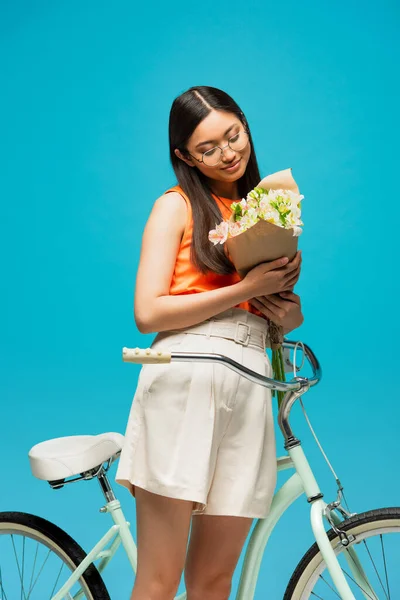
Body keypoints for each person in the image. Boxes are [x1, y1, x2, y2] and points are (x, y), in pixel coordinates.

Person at [115, 85, 303, 600]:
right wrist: (246, 289)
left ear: (244, 123)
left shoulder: (263, 211)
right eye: (208, 148)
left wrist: (285, 310)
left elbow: (272, 313)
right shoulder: (175, 207)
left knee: (213, 581)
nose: (228, 153)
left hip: (249, 384)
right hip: (186, 378)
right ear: (185, 157)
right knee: (160, 578)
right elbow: (147, 311)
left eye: (233, 135)